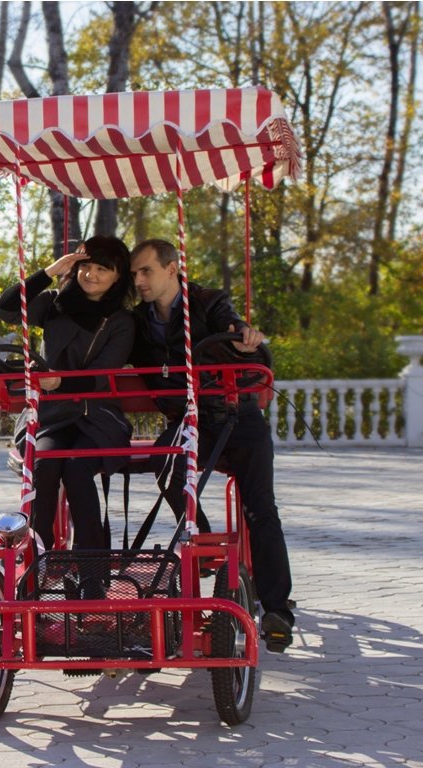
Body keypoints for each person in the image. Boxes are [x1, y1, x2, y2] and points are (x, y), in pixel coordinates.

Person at [128, 237, 295, 652]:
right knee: (166, 467)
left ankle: (277, 609)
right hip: (188, 421)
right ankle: (202, 541)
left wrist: (242, 339)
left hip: (235, 416)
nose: (139, 280)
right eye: (134, 273)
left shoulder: (209, 302)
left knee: (261, 508)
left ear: (172, 269)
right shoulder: (136, 321)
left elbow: (232, 325)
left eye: (146, 271)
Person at [0, 235, 136, 562]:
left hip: (96, 417)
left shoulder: (121, 321)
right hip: (51, 416)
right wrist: (50, 271)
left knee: (76, 468)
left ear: (118, 276)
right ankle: (38, 559)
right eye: (86, 266)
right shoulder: (54, 303)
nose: (92, 274)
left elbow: (103, 373)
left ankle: (92, 570)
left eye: (103, 268)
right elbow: (5, 309)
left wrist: (60, 382)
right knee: (43, 464)